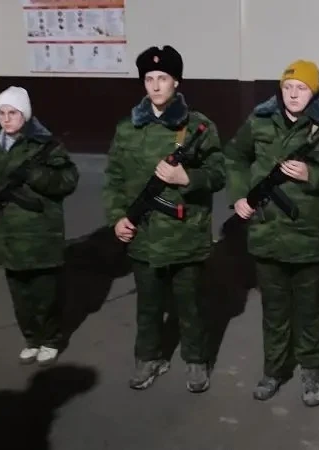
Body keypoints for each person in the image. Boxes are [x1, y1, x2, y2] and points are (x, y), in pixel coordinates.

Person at [223, 59, 319, 406]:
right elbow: (235, 156)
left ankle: (311, 371)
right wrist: (239, 195)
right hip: (267, 236)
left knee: (310, 311)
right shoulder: (260, 121)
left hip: (312, 238)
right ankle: (273, 370)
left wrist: (312, 175)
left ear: (314, 91)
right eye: (288, 87)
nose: (293, 94)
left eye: (301, 88)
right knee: (273, 311)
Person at [101, 45, 225, 393]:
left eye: (163, 78)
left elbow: (219, 173)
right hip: (143, 235)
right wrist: (117, 218)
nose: (155, 86)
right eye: (149, 79)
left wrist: (188, 178)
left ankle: (196, 360)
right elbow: (113, 179)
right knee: (148, 305)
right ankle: (148, 358)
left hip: (186, 234)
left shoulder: (198, 126)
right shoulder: (128, 128)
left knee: (190, 304)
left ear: (176, 82)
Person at [0, 86, 80, 366]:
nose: (6, 119)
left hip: (39, 234)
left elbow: (68, 180)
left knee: (45, 293)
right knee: (20, 295)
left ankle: (50, 340)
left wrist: (36, 175)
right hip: (5, 235)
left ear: (25, 115)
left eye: (12, 113)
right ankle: (31, 340)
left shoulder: (44, 144)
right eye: (1, 113)